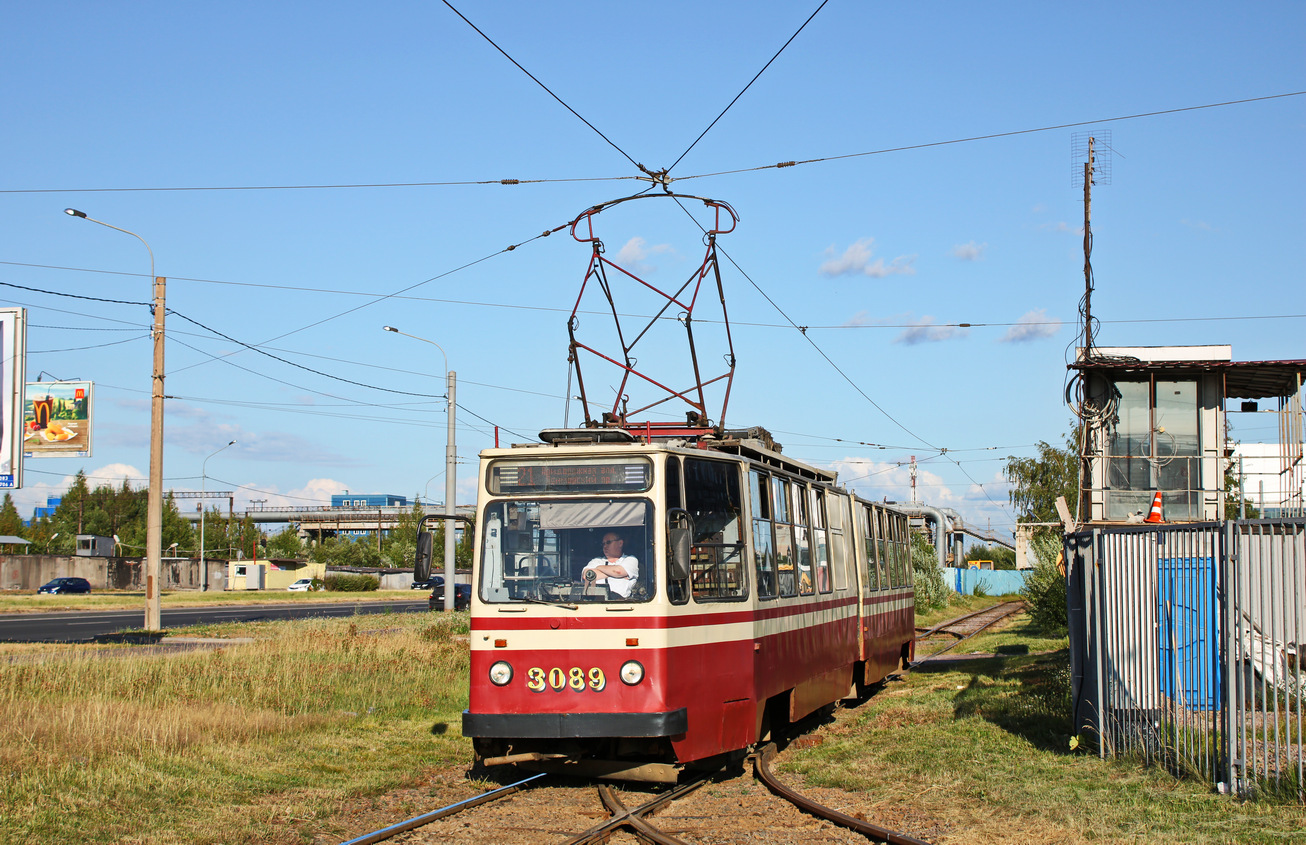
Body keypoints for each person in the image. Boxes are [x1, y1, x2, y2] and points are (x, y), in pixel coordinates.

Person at [581, 531, 639, 598]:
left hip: (621, 603)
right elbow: (587, 576)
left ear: (620, 543)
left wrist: (598, 569)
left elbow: (618, 571)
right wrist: (615, 574)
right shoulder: (596, 561)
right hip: (596, 602)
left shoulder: (630, 559)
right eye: (603, 544)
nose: (605, 546)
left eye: (608, 542)